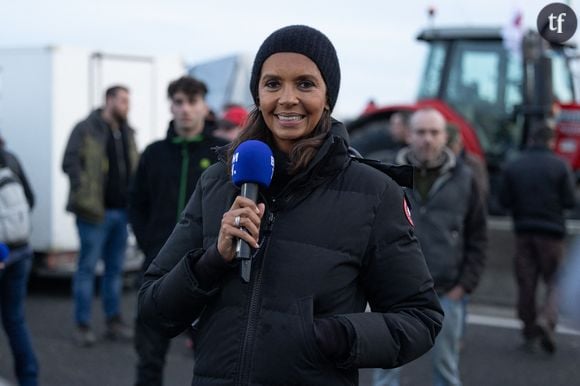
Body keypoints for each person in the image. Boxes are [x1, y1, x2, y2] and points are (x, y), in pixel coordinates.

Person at [138, 25, 443, 385]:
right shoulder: (219, 181)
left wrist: (335, 336)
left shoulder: (374, 192)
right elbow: (153, 309)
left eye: (305, 84)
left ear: (328, 96)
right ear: (258, 94)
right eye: (272, 84)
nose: (286, 99)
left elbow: (420, 318)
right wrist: (210, 261)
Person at [374, 108, 487, 386]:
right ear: (408, 135)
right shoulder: (386, 175)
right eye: (421, 132)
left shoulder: (465, 178)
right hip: (393, 293)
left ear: (445, 137)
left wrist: (464, 287)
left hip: (446, 291)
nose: (427, 139)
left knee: (446, 371)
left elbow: (478, 237)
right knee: (386, 370)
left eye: (434, 132)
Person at [128, 76, 226, 386]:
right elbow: (136, 204)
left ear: (204, 107)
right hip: (158, 268)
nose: (185, 109)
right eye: (179, 102)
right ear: (171, 106)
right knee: (149, 358)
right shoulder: (154, 153)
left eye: (192, 102)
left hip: (207, 272)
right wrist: (151, 246)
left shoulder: (222, 155)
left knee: (211, 362)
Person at [62, 85, 139, 347]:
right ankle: (82, 326)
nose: (127, 105)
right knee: (86, 269)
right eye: (123, 100)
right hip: (93, 212)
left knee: (115, 270)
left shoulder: (126, 132)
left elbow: (133, 165)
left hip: (121, 212)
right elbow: (68, 161)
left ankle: (113, 321)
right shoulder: (85, 128)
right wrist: (83, 189)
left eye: (128, 101)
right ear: (109, 100)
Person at [499, 123, 576, 354]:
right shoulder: (560, 166)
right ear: (551, 141)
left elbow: (503, 201)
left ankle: (528, 327)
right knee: (555, 280)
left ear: (531, 139)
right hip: (552, 234)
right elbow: (570, 201)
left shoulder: (513, 165)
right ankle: (547, 318)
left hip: (523, 231)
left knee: (526, 282)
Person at [0, 138, 39, 386]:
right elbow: (31, 200)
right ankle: (29, 379)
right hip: (21, 251)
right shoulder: (10, 158)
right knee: (15, 320)